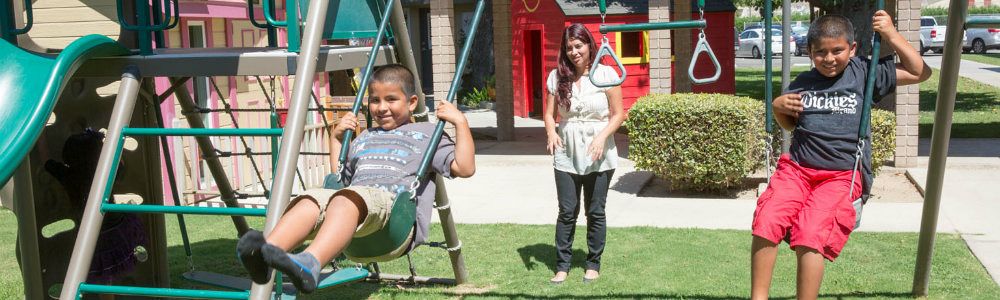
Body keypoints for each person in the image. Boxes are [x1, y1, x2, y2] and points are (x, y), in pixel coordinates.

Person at [236, 64, 476, 294]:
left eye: (391, 99)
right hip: (357, 214)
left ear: (412, 102)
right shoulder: (364, 137)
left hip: (393, 220)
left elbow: (464, 168)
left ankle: (310, 263)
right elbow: (341, 181)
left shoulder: (428, 134)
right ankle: (266, 253)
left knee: (347, 198)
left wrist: (460, 122)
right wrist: (336, 139)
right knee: (312, 198)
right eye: (375, 100)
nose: (381, 107)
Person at [751, 12, 931, 299]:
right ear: (809, 52)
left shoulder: (865, 73)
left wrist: (891, 35)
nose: (829, 58)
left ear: (853, 49)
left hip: (841, 176)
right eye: (820, 52)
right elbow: (791, 126)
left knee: (811, 234)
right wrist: (777, 108)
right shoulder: (803, 82)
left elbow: (920, 71)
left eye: (837, 50)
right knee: (767, 218)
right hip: (797, 170)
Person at [543, 23, 625, 284]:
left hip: (599, 150)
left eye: (579, 46)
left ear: (590, 45)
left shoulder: (606, 74)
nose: (574, 52)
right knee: (567, 210)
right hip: (566, 150)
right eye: (569, 48)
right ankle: (562, 266)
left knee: (595, 210)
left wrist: (602, 137)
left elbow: (618, 114)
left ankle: (593, 264)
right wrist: (551, 133)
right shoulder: (558, 77)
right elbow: (548, 113)